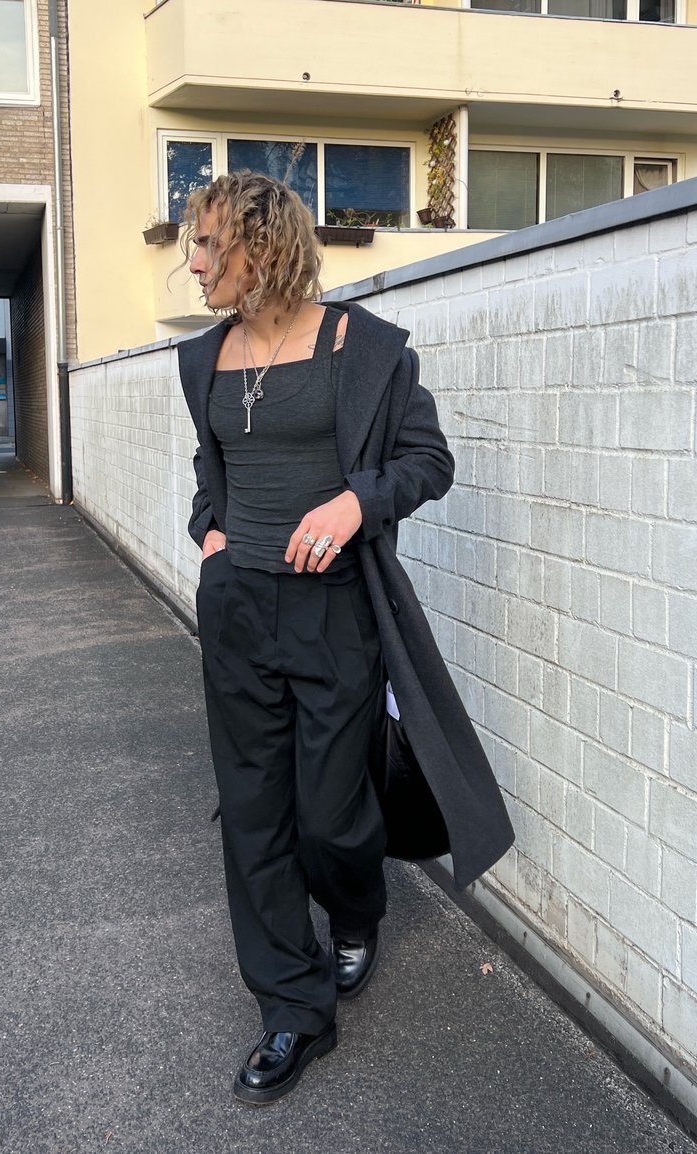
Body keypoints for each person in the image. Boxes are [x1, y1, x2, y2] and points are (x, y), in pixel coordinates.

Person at [177, 172, 514, 1106]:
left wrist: (356, 499)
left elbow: (427, 461)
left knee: (330, 812)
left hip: (336, 614)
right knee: (253, 812)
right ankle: (292, 1006)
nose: (193, 264)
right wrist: (210, 533)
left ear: (263, 246)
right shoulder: (201, 358)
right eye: (191, 246)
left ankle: (357, 912)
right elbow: (215, 469)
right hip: (238, 606)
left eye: (208, 245)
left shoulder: (363, 350)